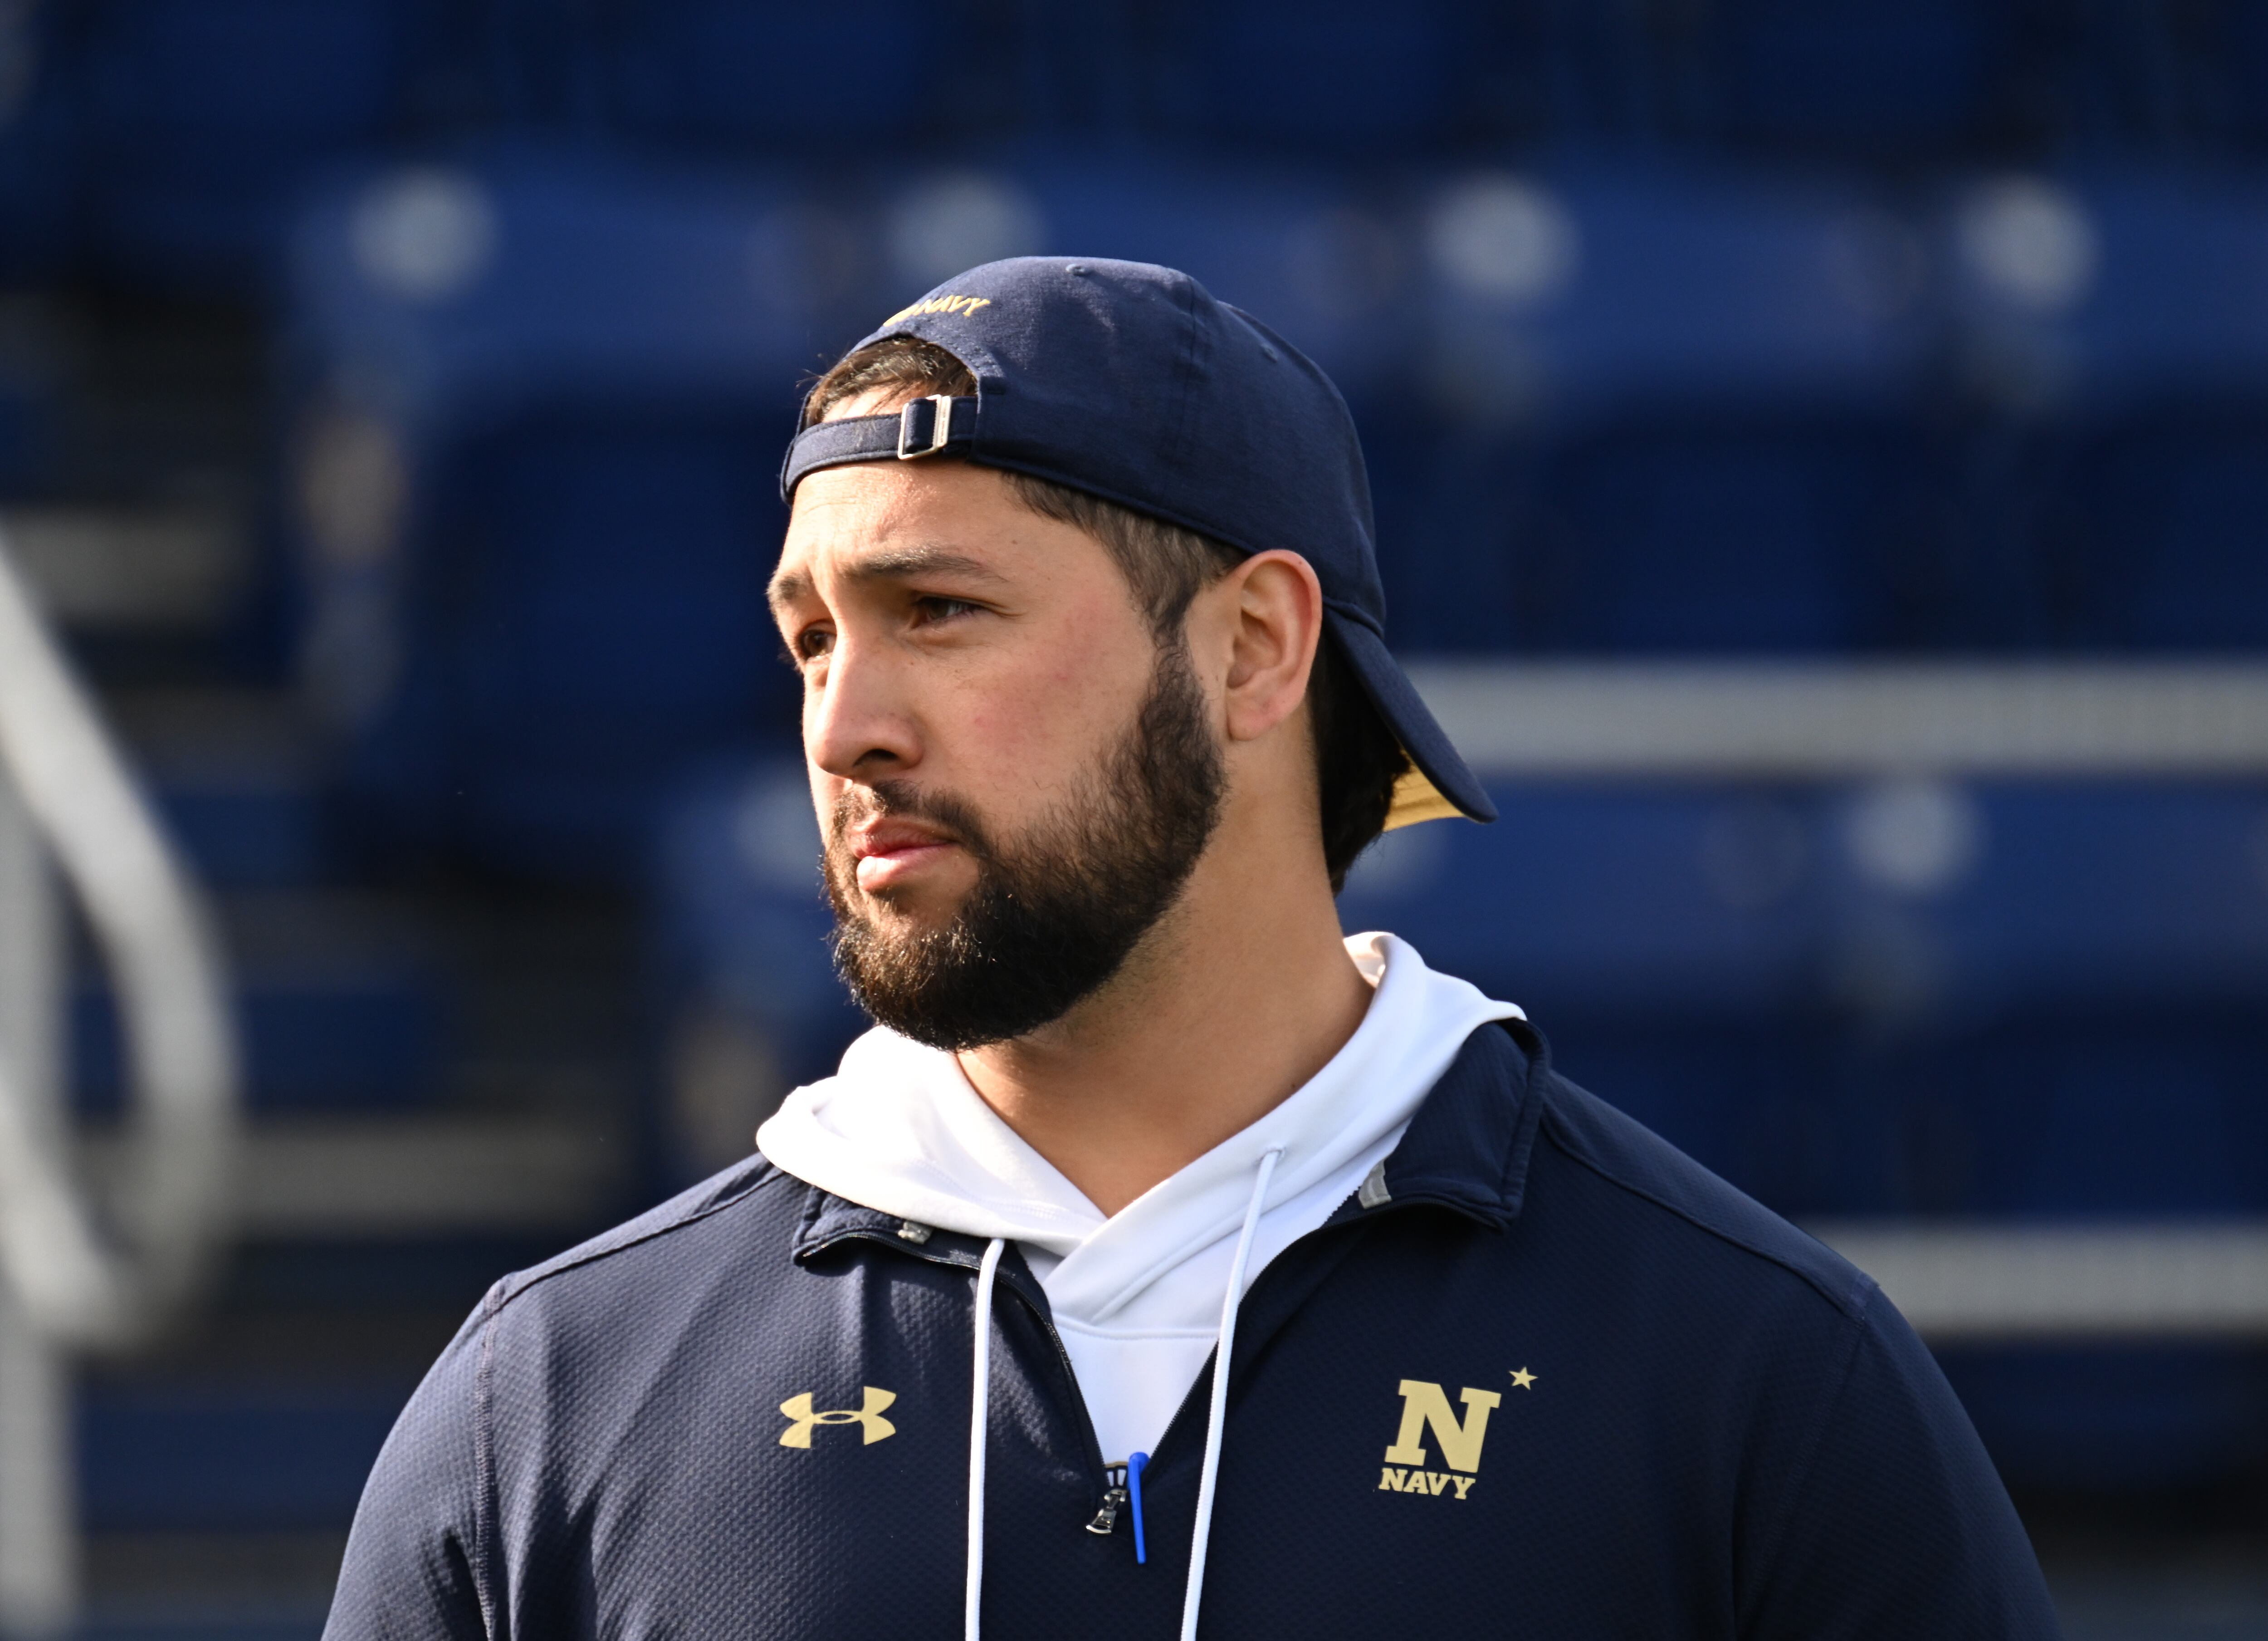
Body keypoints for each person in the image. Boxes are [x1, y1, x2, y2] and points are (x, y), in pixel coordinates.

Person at [324, 257, 2062, 1640]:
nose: (844, 723)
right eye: (809, 639)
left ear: (1252, 649)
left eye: (940, 611)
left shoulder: (1756, 1379)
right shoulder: (547, 1407)